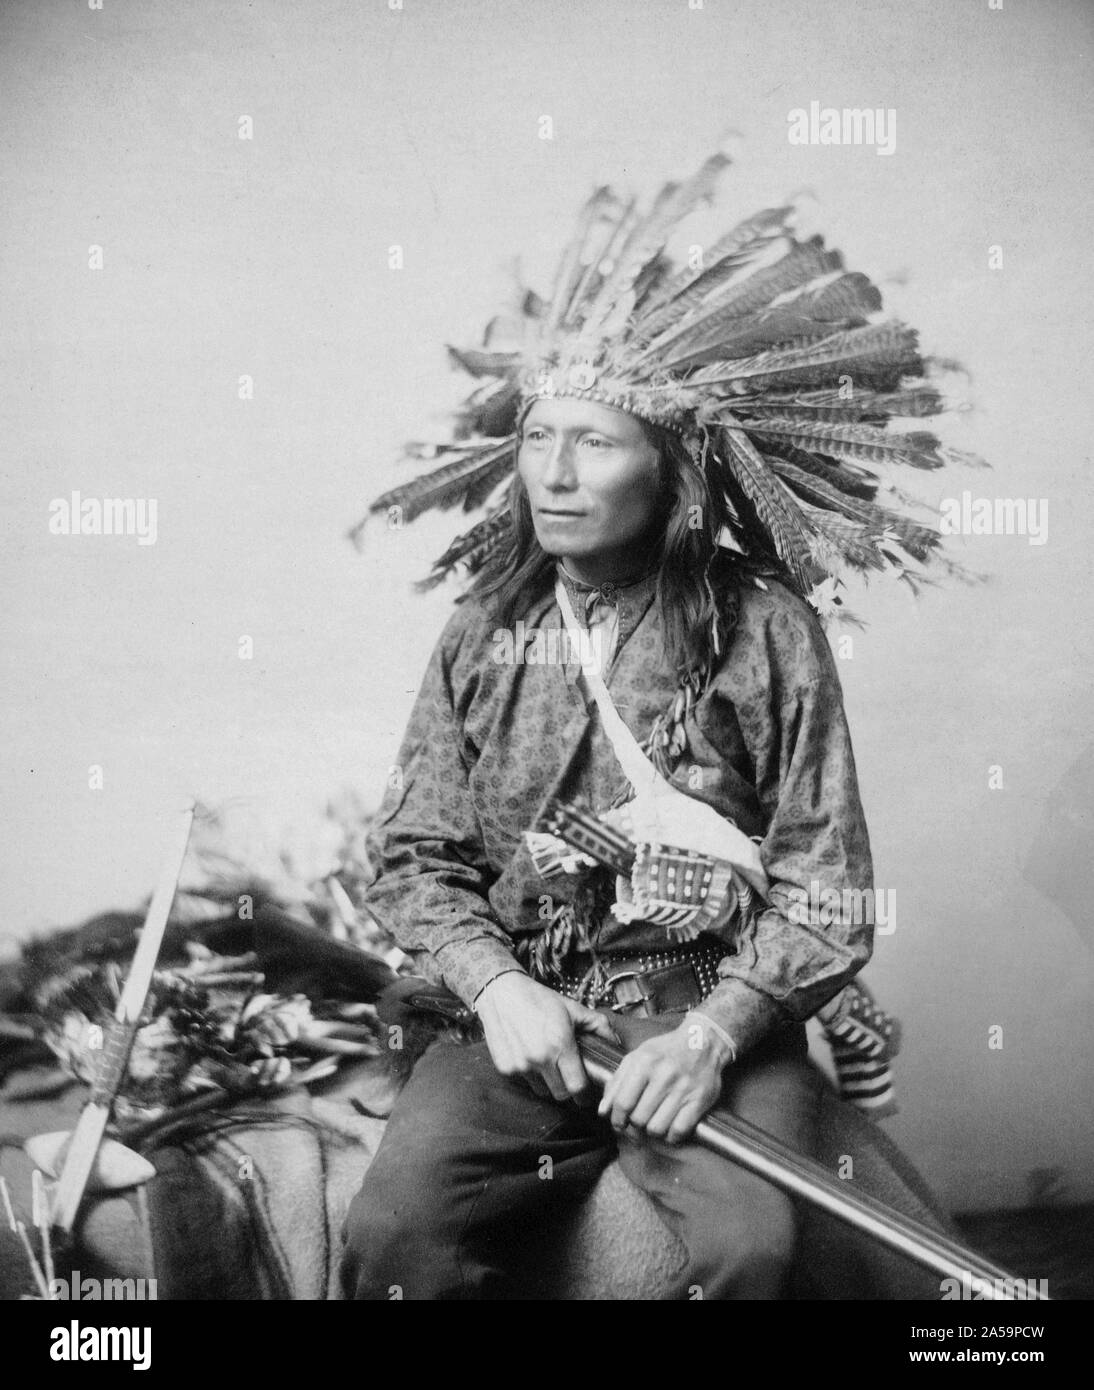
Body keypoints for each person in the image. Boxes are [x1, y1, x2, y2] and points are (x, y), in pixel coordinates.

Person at [341, 154, 952, 1299]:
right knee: (393, 1241)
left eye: (596, 442)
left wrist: (715, 1035)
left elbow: (824, 882)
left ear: (669, 470)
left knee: (749, 1251)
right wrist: (494, 989)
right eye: (536, 440)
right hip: (521, 1022)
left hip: (699, 1015)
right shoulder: (485, 629)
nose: (553, 476)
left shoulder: (764, 628)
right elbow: (416, 856)